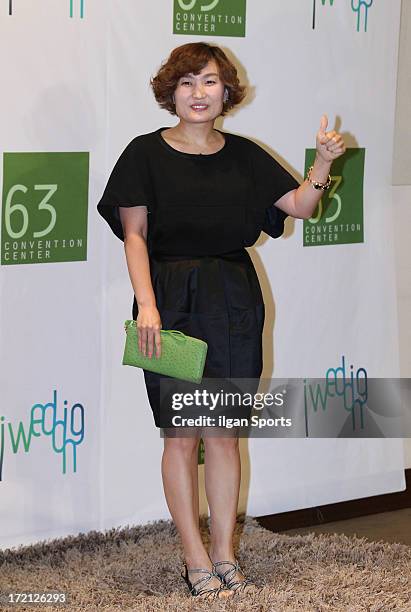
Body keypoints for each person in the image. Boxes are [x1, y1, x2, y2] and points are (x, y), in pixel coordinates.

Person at [97, 42, 346, 601]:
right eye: (186, 83)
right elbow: (134, 236)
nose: (198, 93)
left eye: (209, 82)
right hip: (169, 301)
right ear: (170, 92)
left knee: (225, 435)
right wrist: (149, 307)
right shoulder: (144, 154)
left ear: (226, 91)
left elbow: (301, 207)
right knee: (181, 436)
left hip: (234, 299)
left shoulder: (245, 154)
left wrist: (325, 164)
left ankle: (226, 555)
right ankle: (194, 560)